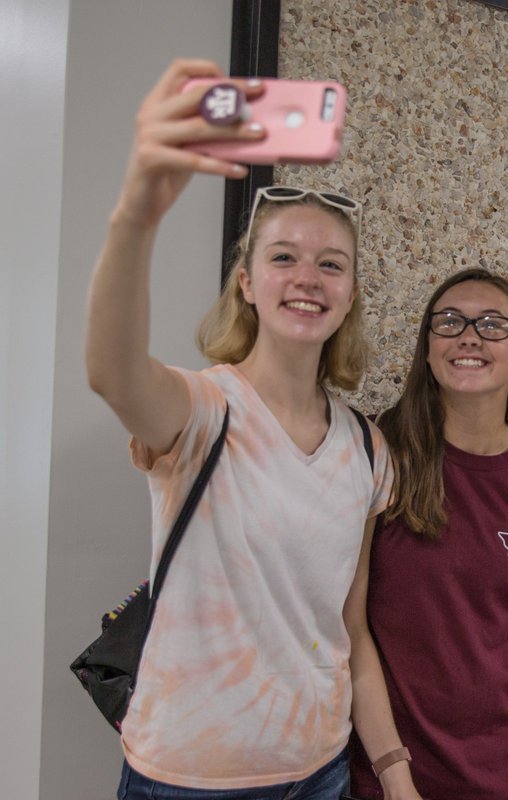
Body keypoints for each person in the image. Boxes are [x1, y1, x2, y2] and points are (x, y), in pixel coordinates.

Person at [85, 59, 416, 799]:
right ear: (248, 281)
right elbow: (111, 370)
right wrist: (137, 210)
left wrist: (395, 774)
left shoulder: (369, 449)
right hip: (188, 777)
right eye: (284, 257)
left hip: (319, 771)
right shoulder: (201, 410)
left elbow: (349, 632)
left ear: (351, 293)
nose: (308, 278)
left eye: (331, 264)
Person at [348, 269, 508, 800]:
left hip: (498, 774)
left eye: (492, 324)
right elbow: (346, 625)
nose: (469, 335)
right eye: (449, 322)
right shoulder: (373, 453)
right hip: (377, 773)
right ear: (426, 349)